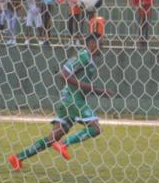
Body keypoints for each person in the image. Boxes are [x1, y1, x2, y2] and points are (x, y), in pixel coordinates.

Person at [8, 34, 112, 171]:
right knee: (96, 128)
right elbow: (63, 74)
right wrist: (88, 87)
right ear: (91, 43)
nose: (103, 46)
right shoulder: (83, 56)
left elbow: (85, 86)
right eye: (101, 43)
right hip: (72, 100)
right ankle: (64, 144)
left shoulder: (90, 60)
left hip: (69, 100)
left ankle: (18, 157)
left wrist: (100, 92)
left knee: (51, 138)